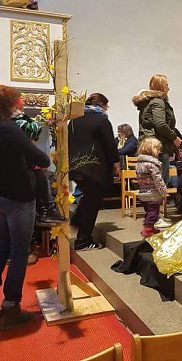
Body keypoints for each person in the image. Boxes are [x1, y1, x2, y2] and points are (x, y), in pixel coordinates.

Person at [0, 83, 50, 330]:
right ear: (4, 105)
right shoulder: (9, 129)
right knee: (19, 251)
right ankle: (11, 307)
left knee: (2, 245)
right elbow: (42, 159)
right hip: (17, 197)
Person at [69, 93, 120, 250]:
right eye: (107, 106)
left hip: (75, 166)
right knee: (93, 203)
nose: (106, 109)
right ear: (102, 104)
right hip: (95, 168)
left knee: (88, 197)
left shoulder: (74, 120)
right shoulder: (101, 119)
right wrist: (116, 164)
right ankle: (83, 241)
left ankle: (77, 221)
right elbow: (110, 145)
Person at [133, 74, 181, 184]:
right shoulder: (158, 101)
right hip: (158, 146)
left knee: (149, 185)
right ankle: (158, 202)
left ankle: (153, 202)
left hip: (148, 145)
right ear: (161, 86)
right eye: (166, 85)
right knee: (160, 183)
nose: (169, 88)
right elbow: (160, 124)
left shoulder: (147, 102)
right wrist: (174, 138)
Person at [136, 137, 167, 237]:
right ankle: (147, 230)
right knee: (153, 213)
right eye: (158, 149)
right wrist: (163, 191)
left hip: (143, 192)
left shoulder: (139, 164)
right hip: (153, 193)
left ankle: (151, 227)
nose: (159, 152)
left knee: (148, 212)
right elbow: (158, 179)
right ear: (152, 149)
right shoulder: (152, 165)